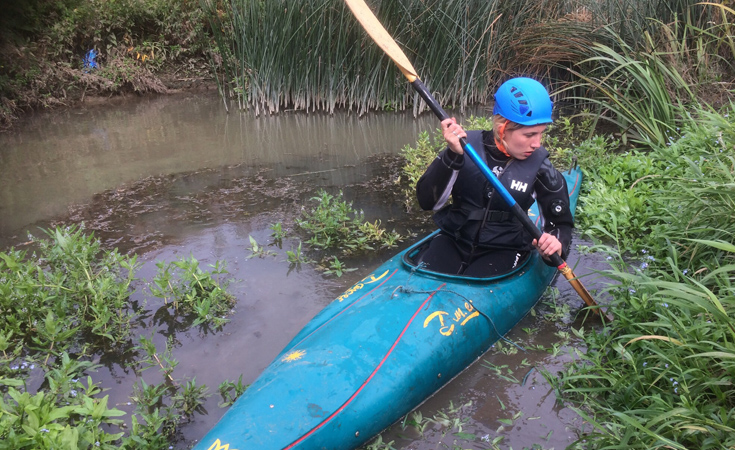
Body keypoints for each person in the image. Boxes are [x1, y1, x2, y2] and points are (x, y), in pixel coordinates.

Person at [415, 77, 573, 277]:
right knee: (424, 277)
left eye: (541, 133)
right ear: (502, 128)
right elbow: (426, 202)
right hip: (454, 239)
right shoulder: (464, 146)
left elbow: (561, 224)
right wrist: (452, 156)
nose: (537, 144)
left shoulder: (542, 167)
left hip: (505, 249)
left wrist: (555, 242)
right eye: (529, 134)